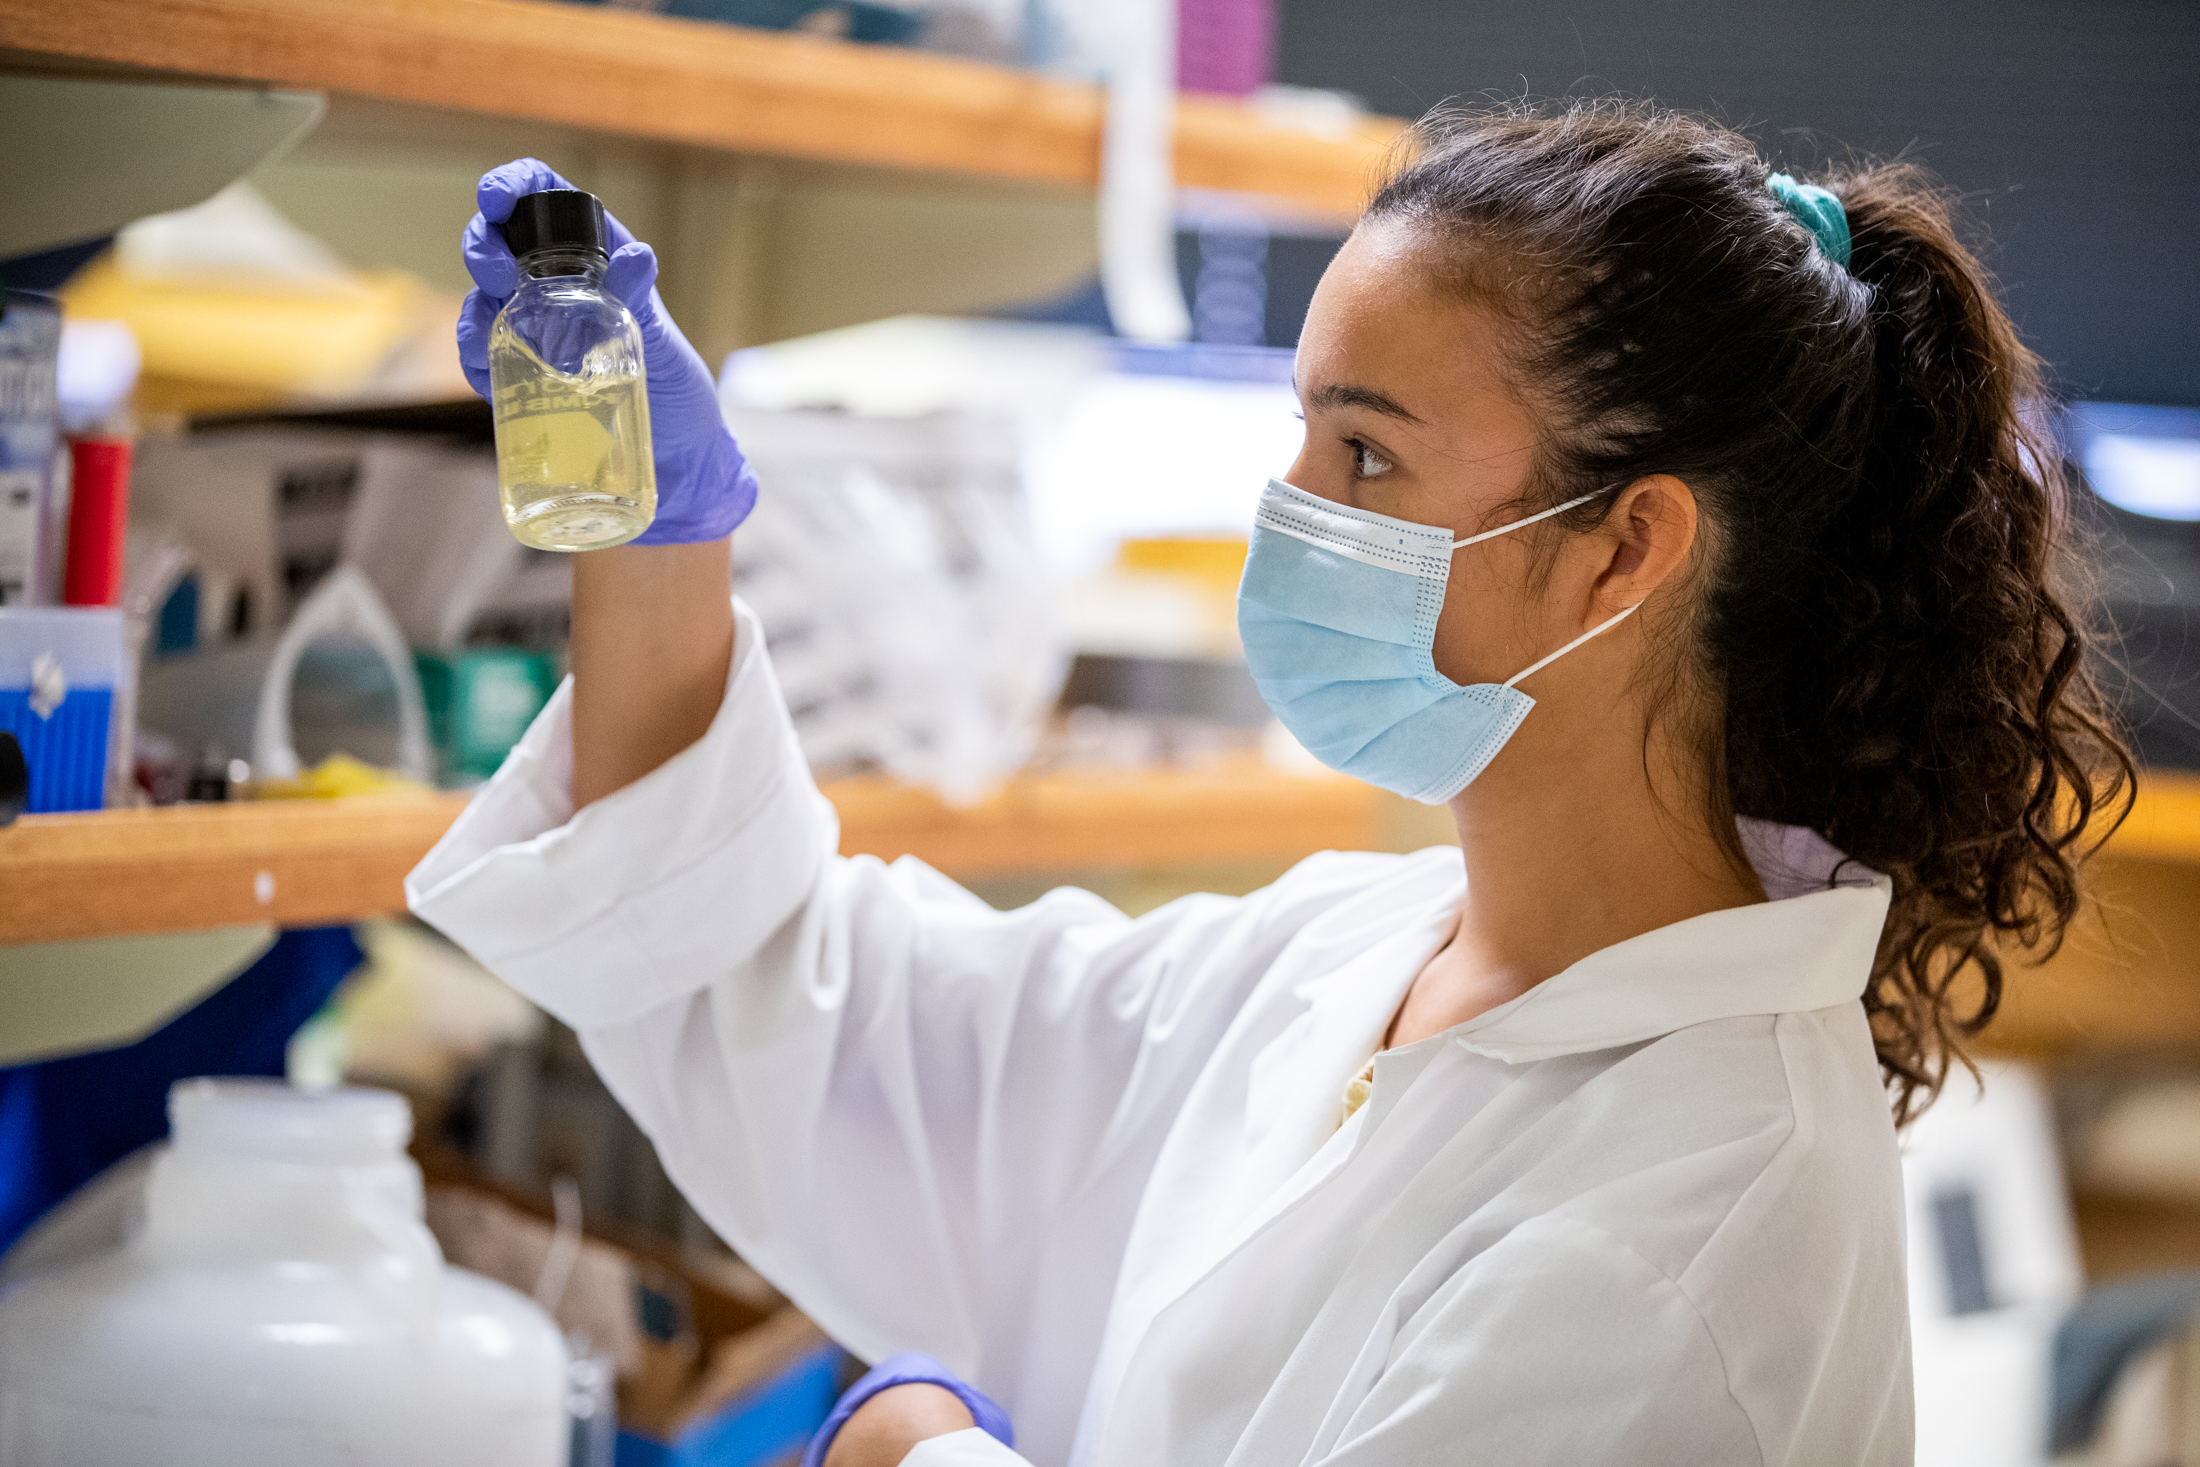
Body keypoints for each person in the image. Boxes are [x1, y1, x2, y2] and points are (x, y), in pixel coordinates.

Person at [412, 102, 2133, 1465]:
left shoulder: (1680, 1240)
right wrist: (658, 537)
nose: (1288, 507)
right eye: (1301, 431)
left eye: (1367, 452)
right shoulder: (1360, 956)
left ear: (1625, 555)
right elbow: (793, 999)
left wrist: (912, 1451)